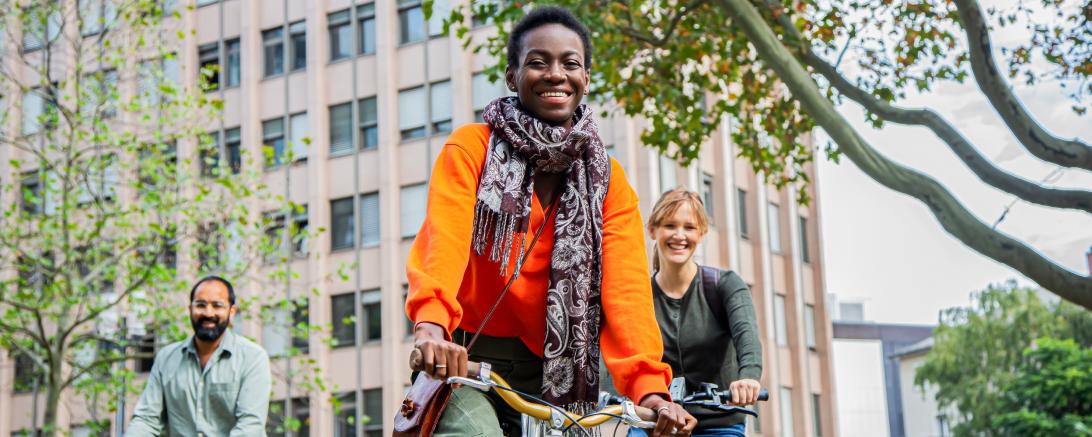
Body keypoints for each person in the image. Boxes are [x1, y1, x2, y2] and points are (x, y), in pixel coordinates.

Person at [405, 6, 697, 436]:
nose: (555, 74)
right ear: (512, 77)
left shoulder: (609, 180)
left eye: (570, 64)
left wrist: (651, 390)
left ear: (586, 79)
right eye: (538, 62)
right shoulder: (472, 148)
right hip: (464, 356)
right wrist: (430, 326)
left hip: (555, 373)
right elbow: (443, 241)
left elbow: (627, 294)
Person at [638, 188, 763, 437]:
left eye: (689, 227)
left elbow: (747, 336)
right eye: (670, 225)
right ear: (652, 230)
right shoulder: (640, 297)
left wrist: (748, 377)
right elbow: (624, 353)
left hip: (719, 421)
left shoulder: (724, 285)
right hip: (660, 422)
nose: (679, 235)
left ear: (702, 233)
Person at [128, 276, 271, 437]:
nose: (208, 313)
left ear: (231, 312)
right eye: (201, 305)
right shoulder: (166, 359)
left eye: (217, 305)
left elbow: (249, 427)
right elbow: (146, 420)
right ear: (190, 309)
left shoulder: (253, 358)